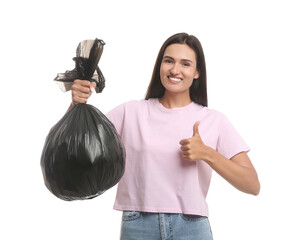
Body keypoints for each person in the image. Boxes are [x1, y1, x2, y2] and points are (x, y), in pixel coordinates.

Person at [69, 33, 260, 240]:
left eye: (185, 64)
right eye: (168, 61)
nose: (175, 70)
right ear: (159, 65)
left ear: (197, 72)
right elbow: (77, 145)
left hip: (192, 228)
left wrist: (207, 153)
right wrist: (77, 104)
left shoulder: (214, 120)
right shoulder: (130, 113)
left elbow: (252, 184)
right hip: (138, 225)